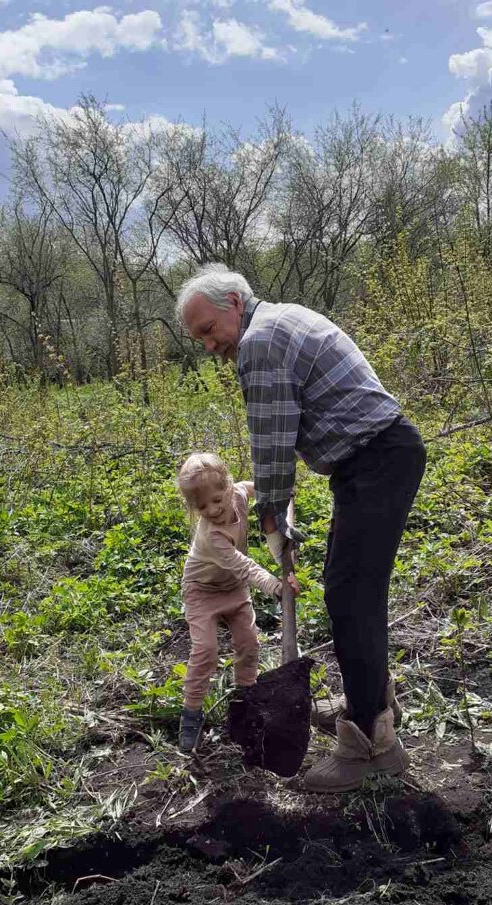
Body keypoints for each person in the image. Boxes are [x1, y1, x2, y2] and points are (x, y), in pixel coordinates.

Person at [175, 264, 426, 792]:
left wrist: (270, 517)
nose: (207, 345)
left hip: (376, 462)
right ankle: (368, 704)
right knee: (350, 592)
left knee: (351, 598)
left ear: (234, 304)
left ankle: (371, 747)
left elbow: (269, 441)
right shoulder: (278, 321)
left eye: (207, 329)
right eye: (197, 337)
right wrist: (277, 515)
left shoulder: (259, 342)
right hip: (373, 462)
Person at [176, 451, 299, 752]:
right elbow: (244, 565)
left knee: (249, 643)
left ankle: (245, 699)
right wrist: (275, 586)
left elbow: (260, 489)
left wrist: (280, 493)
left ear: (229, 487)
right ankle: (191, 713)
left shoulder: (240, 494)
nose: (212, 510)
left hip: (233, 587)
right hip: (201, 591)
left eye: (217, 500)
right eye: (201, 507)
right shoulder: (212, 536)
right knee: (205, 650)